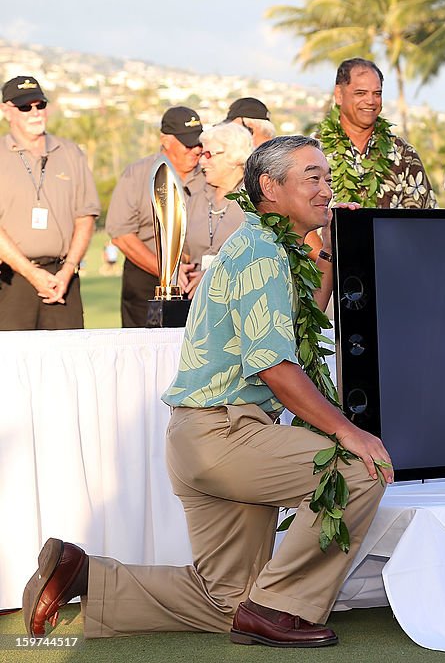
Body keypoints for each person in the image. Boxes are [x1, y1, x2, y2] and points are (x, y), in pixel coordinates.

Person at [22, 135, 393, 647]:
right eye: (314, 176)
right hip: (227, 435)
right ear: (270, 187)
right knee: (359, 468)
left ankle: (84, 575)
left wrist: (330, 244)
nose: (326, 187)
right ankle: (280, 609)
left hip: (202, 438)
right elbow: (278, 368)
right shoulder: (262, 254)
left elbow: (308, 321)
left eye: (327, 177)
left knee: (228, 604)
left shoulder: (265, 246)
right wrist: (351, 433)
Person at [0, 75, 99, 330]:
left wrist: (67, 271)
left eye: (39, 105)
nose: (35, 113)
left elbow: (85, 217)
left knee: (67, 363)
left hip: (62, 278)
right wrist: (32, 274)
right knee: (13, 365)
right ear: (6, 111)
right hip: (11, 280)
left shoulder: (71, 153)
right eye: (24, 107)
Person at [106, 106, 210, 327]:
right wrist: (168, 273)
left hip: (197, 281)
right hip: (147, 277)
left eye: (199, 143)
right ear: (166, 140)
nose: (196, 150)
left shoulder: (209, 174)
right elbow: (120, 233)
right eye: (189, 144)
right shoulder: (137, 174)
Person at [320, 57, 436, 210]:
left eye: (377, 93)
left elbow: (425, 219)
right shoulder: (317, 152)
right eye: (361, 93)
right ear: (339, 95)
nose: (371, 101)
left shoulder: (403, 154)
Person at [177, 122, 249, 296]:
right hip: (195, 304)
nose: (201, 161)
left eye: (208, 154)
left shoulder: (255, 200)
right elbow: (185, 250)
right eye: (202, 154)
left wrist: (214, 276)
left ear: (234, 157)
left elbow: (260, 257)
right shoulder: (194, 197)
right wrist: (177, 269)